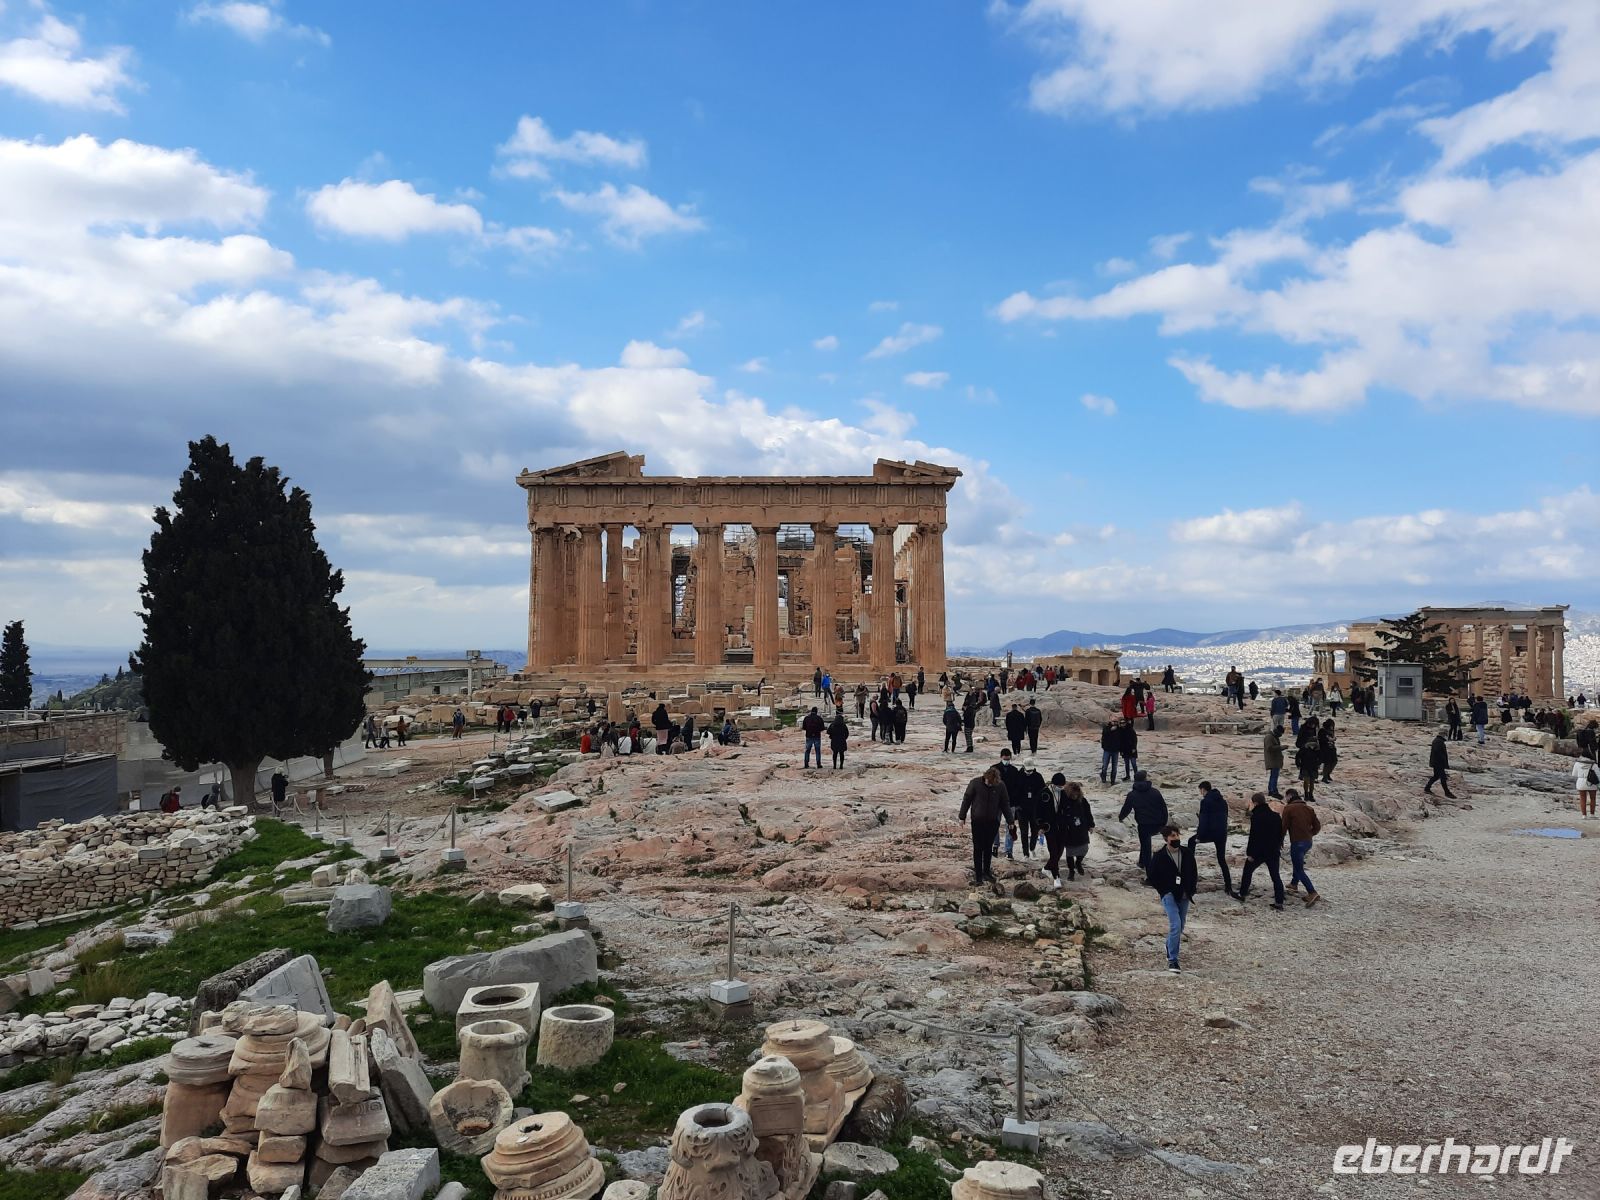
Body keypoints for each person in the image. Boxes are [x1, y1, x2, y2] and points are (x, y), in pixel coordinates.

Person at [1147, 823, 1198, 973]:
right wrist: (1164, 890)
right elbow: (1151, 876)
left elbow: (1193, 872)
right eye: (1173, 836)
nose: (1176, 838)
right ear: (1166, 838)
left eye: (1177, 835)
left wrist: (1191, 890)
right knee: (1175, 925)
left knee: (1180, 926)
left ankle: (1169, 945)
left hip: (1184, 895)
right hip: (1169, 895)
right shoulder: (1159, 856)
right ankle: (1173, 960)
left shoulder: (1187, 853)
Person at [958, 767, 1016, 886]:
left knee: (988, 847)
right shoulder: (975, 783)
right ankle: (978, 876)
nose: (990, 785)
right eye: (989, 783)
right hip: (977, 821)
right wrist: (962, 816)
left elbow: (1005, 803)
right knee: (978, 848)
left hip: (992, 821)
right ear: (985, 777)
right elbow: (966, 800)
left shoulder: (1000, 785)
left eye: (993, 783)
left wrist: (1010, 821)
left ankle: (987, 873)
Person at [1236, 791, 1286, 909]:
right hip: (1273, 851)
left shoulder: (1256, 817)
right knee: (1275, 876)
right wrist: (1279, 845)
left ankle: (1242, 894)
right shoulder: (1275, 816)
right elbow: (1280, 833)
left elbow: (1254, 836)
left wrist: (1250, 853)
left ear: (1256, 803)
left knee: (1248, 871)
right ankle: (1279, 902)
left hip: (1259, 852)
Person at [1118, 770, 1168, 878]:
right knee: (1146, 844)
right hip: (1158, 823)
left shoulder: (1132, 794)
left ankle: (1149, 870)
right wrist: (1164, 822)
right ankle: (1142, 862)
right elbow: (1164, 808)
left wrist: (1120, 818)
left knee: (1145, 845)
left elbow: (1126, 809)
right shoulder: (1155, 792)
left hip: (1144, 824)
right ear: (1145, 779)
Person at [1045, 776, 1094, 885]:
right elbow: (1058, 814)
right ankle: (1071, 871)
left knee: (1084, 848)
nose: (1075, 796)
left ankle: (1079, 862)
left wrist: (1091, 825)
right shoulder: (1064, 801)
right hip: (1068, 830)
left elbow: (1088, 814)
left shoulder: (1083, 801)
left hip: (1081, 829)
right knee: (1070, 853)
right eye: (1073, 794)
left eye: (1077, 794)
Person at [1190, 780, 1234, 896]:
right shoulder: (1223, 801)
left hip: (1210, 832)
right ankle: (1228, 886)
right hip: (1222, 833)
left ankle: (1190, 877)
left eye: (1200, 791)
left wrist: (1199, 836)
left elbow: (1204, 820)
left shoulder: (1205, 801)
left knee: (1191, 842)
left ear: (1203, 789)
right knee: (1221, 859)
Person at [1281, 788, 1322, 906]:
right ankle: (1294, 884)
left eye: (1286, 797)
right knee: (1298, 862)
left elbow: (1284, 826)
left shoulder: (1289, 808)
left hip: (1297, 842)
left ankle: (1312, 892)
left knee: (1299, 868)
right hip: (1308, 842)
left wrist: (1280, 840)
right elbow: (1317, 826)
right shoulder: (1309, 808)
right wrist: (1310, 834)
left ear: (1289, 796)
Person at [1294, 717, 1321, 803]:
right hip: (1306, 763)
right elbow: (1299, 743)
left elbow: (1320, 757)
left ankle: (1310, 794)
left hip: (1312, 766)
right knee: (1307, 780)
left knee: (1311, 781)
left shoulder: (1317, 749)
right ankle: (1306, 794)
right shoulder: (1304, 728)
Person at [1425, 732, 1456, 798]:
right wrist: (1442, 760)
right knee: (1443, 777)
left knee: (1436, 776)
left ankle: (1427, 788)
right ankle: (1447, 792)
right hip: (1438, 763)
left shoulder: (1438, 741)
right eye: (1446, 735)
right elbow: (1437, 751)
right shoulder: (1438, 742)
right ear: (1443, 735)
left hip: (1436, 762)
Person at [1572, 754, 1598, 819]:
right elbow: (1598, 774)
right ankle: (1592, 814)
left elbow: (1574, 774)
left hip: (1581, 781)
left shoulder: (1577, 763)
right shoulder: (1594, 764)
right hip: (1592, 783)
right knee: (1593, 798)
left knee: (1583, 799)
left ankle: (1584, 815)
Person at [1263, 725, 1284, 799]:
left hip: (1275, 760)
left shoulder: (1274, 736)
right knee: (1274, 776)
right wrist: (1281, 748)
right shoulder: (1269, 737)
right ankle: (1273, 791)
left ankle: (1271, 790)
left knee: (1274, 776)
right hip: (1272, 760)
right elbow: (1269, 748)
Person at [1099, 719, 1120, 784]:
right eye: (1114, 721)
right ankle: (1103, 778)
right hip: (1107, 750)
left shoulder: (1119, 729)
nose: (1115, 723)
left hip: (1115, 750)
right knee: (1105, 766)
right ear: (1110, 721)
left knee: (1114, 767)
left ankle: (1113, 781)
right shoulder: (1106, 728)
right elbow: (1104, 734)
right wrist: (1111, 730)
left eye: (1116, 721)